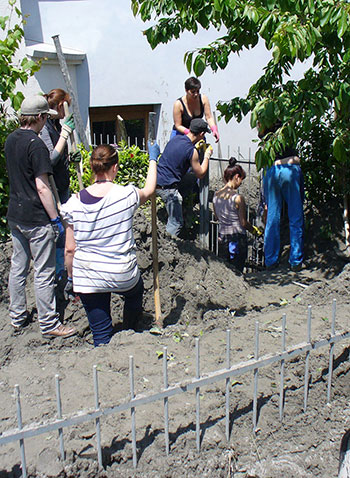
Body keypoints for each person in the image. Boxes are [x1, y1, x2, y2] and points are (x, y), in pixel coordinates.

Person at [60, 141, 158, 347]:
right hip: (122, 273)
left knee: (101, 335)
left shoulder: (73, 204)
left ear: (92, 167)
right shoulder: (126, 195)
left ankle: (104, 349)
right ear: (114, 167)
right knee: (135, 292)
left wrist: (71, 278)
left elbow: (70, 249)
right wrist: (152, 159)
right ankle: (129, 331)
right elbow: (149, 190)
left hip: (88, 276)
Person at [5, 95, 77, 338]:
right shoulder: (35, 145)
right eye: (45, 117)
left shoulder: (11, 140)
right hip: (36, 218)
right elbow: (42, 186)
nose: (46, 120)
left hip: (16, 214)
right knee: (44, 272)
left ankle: (17, 316)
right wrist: (55, 218)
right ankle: (49, 324)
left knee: (18, 267)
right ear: (39, 117)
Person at [156, 118, 214, 237]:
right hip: (168, 189)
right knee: (176, 223)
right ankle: (168, 246)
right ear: (202, 134)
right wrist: (207, 155)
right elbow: (201, 173)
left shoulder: (176, 139)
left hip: (155, 181)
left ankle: (177, 207)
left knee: (190, 179)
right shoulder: (191, 151)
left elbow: (180, 155)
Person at [259, 124, 304, 271]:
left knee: (272, 218)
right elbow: (297, 158)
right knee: (295, 217)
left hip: (271, 171)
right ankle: (296, 261)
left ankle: (270, 260)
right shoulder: (289, 125)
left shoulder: (265, 133)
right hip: (290, 170)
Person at [213, 158, 262, 272]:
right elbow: (243, 223)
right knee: (237, 271)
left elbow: (216, 217)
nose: (240, 184)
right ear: (236, 177)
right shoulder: (238, 198)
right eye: (241, 180)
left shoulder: (216, 196)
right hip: (237, 239)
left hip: (222, 239)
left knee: (225, 272)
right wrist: (254, 230)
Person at [39, 88, 79, 205]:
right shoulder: (45, 127)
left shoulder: (57, 125)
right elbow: (51, 159)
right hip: (53, 187)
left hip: (62, 183)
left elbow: (60, 153)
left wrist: (69, 159)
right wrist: (65, 134)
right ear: (61, 105)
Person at [171, 77, 219, 142]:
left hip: (197, 134)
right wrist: (190, 134)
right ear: (186, 90)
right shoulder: (178, 104)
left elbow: (209, 117)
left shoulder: (203, 99)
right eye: (193, 92)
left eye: (198, 91)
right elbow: (178, 125)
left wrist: (214, 129)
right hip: (180, 133)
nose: (196, 94)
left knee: (203, 150)